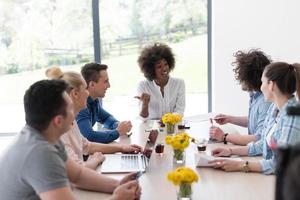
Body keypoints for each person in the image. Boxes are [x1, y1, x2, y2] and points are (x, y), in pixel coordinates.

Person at [0, 79, 141, 200]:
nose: (76, 114)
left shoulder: (44, 136)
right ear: (58, 121)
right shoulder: (40, 153)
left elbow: (78, 175)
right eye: (71, 109)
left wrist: (117, 185)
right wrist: (117, 198)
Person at [210, 62, 300, 175]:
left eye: (262, 82)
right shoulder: (274, 107)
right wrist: (230, 151)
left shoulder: (293, 116)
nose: (261, 88)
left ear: (271, 85)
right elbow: (262, 143)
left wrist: (239, 165)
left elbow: (280, 164)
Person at [46, 67, 142, 170]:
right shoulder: (62, 129)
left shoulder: (72, 120)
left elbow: (87, 146)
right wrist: (95, 160)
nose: (87, 93)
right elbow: (78, 170)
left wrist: (121, 147)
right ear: (75, 93)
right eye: (85, 89)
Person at [210, 49, 272, 145]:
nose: (239, 80)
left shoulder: (265, 101)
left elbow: (259, 138)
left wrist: (224, 136)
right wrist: (229, 119)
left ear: (248, 78)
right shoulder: (255, 97)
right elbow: (254, 121)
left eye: (240, 76)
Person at [77, 63, 132, 143]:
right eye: (105, 82)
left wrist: (119, 126)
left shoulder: (94, 101)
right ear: (92, 84)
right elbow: (89, 136)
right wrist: (117, 132)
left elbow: (106, 118)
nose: (109, 86)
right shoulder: (80, 105)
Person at [135, 43, 185, 119]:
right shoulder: (143, 86)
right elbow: (143, 117)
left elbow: (180, 111)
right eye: (159, 66)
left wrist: (166, 121)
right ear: (151, 70)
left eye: (166, 64)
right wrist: (145, 104)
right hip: (151, 128)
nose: (164, 69)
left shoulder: (179, 83)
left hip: (172, 126)